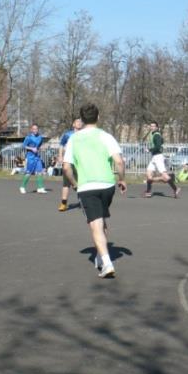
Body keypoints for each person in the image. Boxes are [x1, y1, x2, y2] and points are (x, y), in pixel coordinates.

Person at [63, 103, 127, 278]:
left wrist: (75, 183)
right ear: (98, 117)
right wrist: (121, 179)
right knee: (101, 220)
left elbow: (66, 167)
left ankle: (107, 263)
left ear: (81, 120)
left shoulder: (73, 139)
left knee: (95, 225)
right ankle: (100, 255)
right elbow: (119, 162)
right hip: (107, 185)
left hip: (87, 186)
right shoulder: (106, 136)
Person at [143, 121, 179, 198]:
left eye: (153, 126)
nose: (152, 127)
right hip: (154, 157)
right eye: (151, 126)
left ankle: (175, 189)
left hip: (158, 157)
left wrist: (149, 150)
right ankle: (148, 192)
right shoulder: (153, 134)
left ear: (156, 127)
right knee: (149, 174)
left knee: (165, 175)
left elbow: (158, 146)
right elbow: (162, 141)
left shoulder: (156, 135)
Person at [58, 118, 84, 212]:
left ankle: (82, 201)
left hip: (80, 162)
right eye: (77, 122)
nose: (80, 123)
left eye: (81, 122)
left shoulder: (84, 134)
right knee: (66, 184)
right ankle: (63, 203)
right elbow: (61, 145)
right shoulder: (67, 134)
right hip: (68, 161)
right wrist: (60, 156)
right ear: (73, 124)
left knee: (81, 182)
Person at [20, 124, 47, 194]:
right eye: (34, 129)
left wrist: (42, 148)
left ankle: (40, 188)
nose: (35, 130)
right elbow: (23, 146)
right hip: (30, 157)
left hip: (37, 157)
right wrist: (31, 148)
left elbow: (39, 146)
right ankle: (22, 187)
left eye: (36, 129)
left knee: (39, 172)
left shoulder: (40, 137)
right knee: (29, 173)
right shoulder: (28, 137)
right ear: (31, 130)